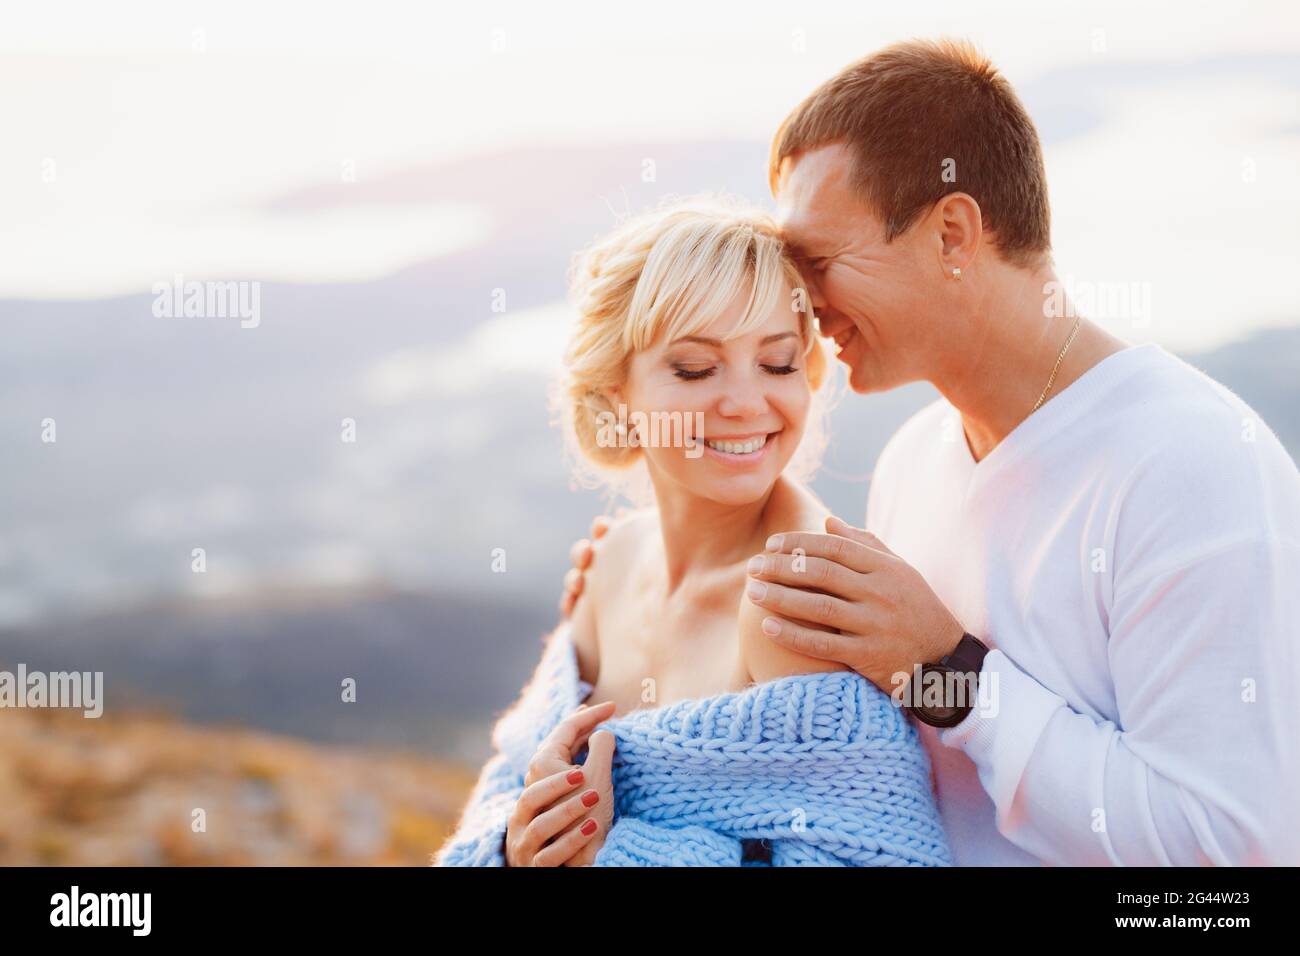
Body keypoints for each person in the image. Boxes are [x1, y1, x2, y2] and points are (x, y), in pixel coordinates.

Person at [562, 39, 1300, 866]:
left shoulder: (1194, 467)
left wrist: (948, 675)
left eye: (820, 261)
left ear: (951, 234)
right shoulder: (913, 463)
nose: (804, 303)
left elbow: (1230, 855)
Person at [437, 197, 951, 866]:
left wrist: (616, 856)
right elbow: (509, 783)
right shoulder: (610, 561)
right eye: (695, 369)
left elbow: (883, 859)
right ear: (617, 392)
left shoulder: (799, 600)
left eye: (778, 362)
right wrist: (517, 846)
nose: (745, 403)